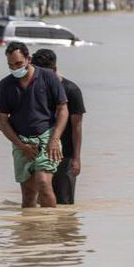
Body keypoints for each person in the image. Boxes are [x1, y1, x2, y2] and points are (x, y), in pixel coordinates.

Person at [0, 41, 69, 208]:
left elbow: (63, 109)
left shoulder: (48, 77)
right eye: (11, 65)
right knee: (28, 194)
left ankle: (50, 229)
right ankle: (30, 232)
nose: (15, 68)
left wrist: (55, 139)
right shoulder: (5, 85)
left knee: (43, 182)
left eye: (19, 64)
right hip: (21, 140)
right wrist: (21, 145)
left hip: (47, 137)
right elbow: (2, 120)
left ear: (28, 59)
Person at [31, 48, 86, 205]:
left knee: (64, 203)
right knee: (38, 200)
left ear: (54, 69)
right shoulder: (34, 88)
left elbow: (77, 127)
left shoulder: (71, 90)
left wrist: (76, 158)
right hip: (39, 152)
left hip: (65, 155)